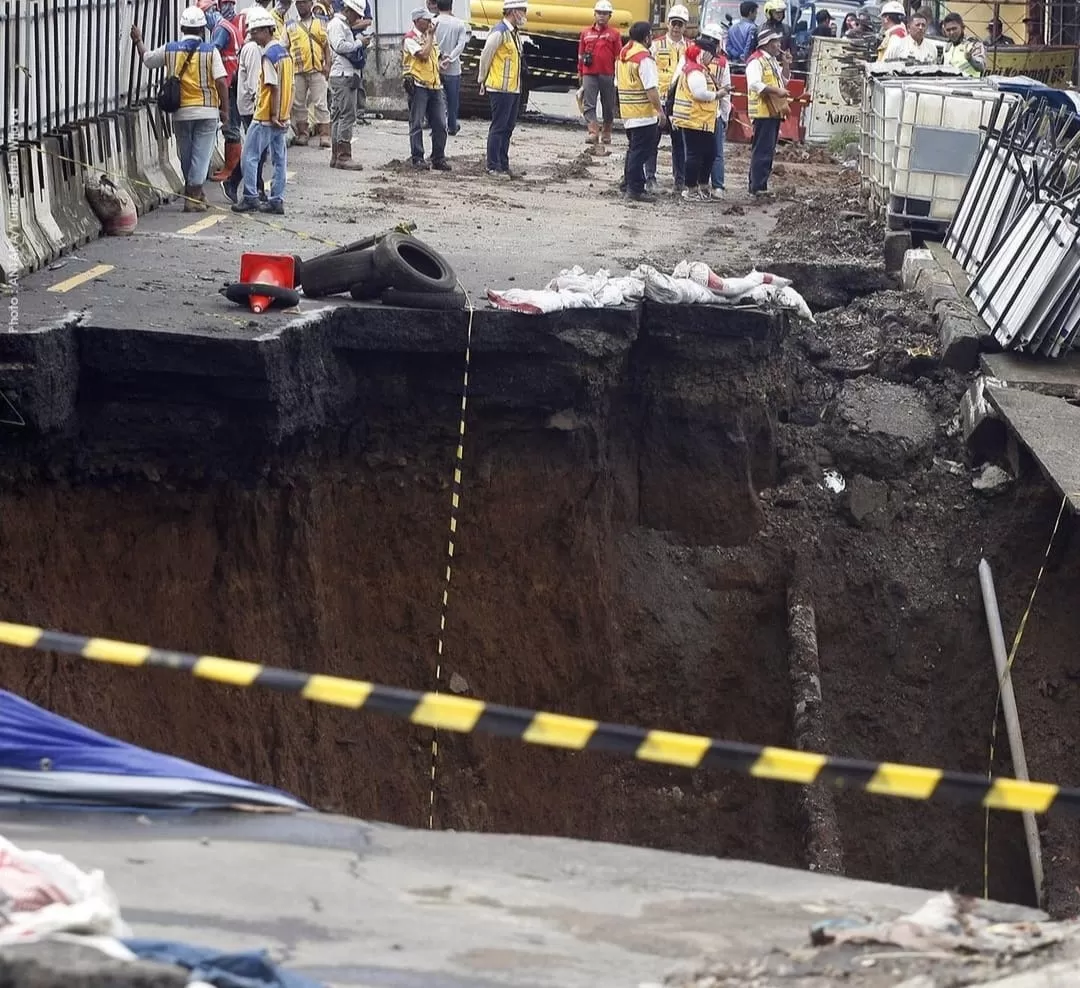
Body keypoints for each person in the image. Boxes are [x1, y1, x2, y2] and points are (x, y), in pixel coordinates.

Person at [131, 7, 228, 212]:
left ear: (182, 27)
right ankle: (193, 194)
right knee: (201, 155)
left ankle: (195, 193)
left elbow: (147, 60)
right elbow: (221, 82)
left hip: (180, 111)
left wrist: (138, 40)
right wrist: (225, 109)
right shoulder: (212, 51)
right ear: (203, 29)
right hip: (207, 110)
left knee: (186, 154)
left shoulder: (170, 48)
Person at [232, 6, 294, 214]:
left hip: (266, 115)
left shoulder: (269, 55)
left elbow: (273, 86)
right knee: (279, 159)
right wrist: (284, 114)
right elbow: (290, 86)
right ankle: (276, 199)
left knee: (249, 156)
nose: (252, 36)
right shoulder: (285, 53)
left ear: (267, 30)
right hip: (281, 116)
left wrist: (274, 114)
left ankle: (250, 196)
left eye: (256, 32)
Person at [616, 21, 665, 202]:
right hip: (643, 114)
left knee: (633, 150)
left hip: (629, 113)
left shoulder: (624, 56)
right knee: (641, 152)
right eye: (651, 35)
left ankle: (628, 184)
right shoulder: (644, 58)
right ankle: (634, 189)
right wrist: (659, 110)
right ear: (646, 37)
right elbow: (651, 89)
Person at [478, 0, 528, 177]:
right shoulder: (499, 32)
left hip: (513, 89)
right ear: (513, 12)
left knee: (508, 128)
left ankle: (503, 165)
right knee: (498, 127)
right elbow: (486, 56)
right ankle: (493, 166)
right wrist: (482, 79)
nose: (525, 15)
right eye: (523, 10)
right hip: (500, 88)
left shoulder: (514, 33)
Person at [672, 34, 721, 202]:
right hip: (693, 119)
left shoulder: (699, 69)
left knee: (709, 153)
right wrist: (718, 94)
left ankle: (701, 185)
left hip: (702, 120)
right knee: (695, 155)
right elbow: (699, 93)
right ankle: (691, 188)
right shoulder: (694, 70)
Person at [647, 4, 688, 193]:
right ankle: (650, 177)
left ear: (685, 26)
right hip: (660, 99)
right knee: (652, 141)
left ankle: (680, 179)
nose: (676, 27)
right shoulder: (656, 45)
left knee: (679, 143)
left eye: (680, 24)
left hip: (680, 102)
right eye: (674, 23)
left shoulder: (690, 48)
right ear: (668, 23)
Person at [403, 8, 451, 170]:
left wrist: (441, 63)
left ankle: (438, 157)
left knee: (440, 123)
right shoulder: (410, 39)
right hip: (418, 85)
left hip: (434, 84)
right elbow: (423, 54)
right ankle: (417, 157)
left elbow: (432, 57)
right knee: (416, 122)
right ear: (417, 21)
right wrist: (430, 36)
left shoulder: (430, 37)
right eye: (426, 20)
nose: (430, 23)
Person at [326, 0, 370, 169]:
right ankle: (343, 155)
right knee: (347, 115)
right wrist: (360, 43)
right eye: (357, 15)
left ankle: (337, 155)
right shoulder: (338, 25)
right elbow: (340, 46)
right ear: (349, 11)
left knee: (338, 115)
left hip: (342, 75)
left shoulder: (339, 24)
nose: (358, 19)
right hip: (343, 75)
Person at [745, 28, 789, 197]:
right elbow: (755, 84)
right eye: (776, 42)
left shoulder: (771, 61)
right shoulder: (756, 61)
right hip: (763, 112)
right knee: (762, 151)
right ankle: (757, 187)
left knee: (768, 150)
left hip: (772, 112)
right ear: (767, 44)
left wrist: (785, 64)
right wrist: (776, 92)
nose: (779, 45)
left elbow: (784, 81)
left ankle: (759, 185)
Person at [578, 0, 622, 150]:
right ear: (594, 14)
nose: (601, 16)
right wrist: (580, 72)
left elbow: (618, 57)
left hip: (607, 74)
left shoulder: (615, 34)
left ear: (609, 16)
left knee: (608, 105)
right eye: (599, 13)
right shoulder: (585, 33)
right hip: (589, 73)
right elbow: (581, 54)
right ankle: (593, 131)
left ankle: (607, 131)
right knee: (589, 104)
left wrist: (618, 76)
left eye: (605, 14)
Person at [209, 0, 245, 183]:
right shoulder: (228, 26)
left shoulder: (221, 29)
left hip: (229, 81)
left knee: (230, 125)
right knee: (233, 125)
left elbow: (212, 52)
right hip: (234, 79)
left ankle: (231, 168)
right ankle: (232, 167)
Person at [287, 0, 331, 146]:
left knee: (320, 103)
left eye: (304, 3)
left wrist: (328, 65)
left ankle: (324, 135)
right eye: (298, 3)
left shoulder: (321, 22)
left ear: (311, 4)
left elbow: (327, 45)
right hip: (298, 70)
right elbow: (284, 47)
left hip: (317, 69)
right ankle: (302, 134)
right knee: (298, 104)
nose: (301, 6)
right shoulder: (290, 25)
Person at [434, 0, 470, 136]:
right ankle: (452, 126)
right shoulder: (459, 24)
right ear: (451, 6)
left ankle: (437, 126)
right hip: (453, 69)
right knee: (452, 100)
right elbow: (461, 45)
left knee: (436, 99)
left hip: (435, 67)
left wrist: (439, 57)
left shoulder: (433, 23)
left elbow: (430, 42)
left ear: (437, 6)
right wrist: (450, 58)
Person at [706, 30, 731, 198]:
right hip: (708, 114)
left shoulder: (692, 57)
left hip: (705, 114)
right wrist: (725, 115)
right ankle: (715, 187)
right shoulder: (722, 62)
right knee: (714, 152)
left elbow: (726, 90)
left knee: (706, 153)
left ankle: (713, 185)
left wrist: (724, 114)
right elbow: (727, 90)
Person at [942, 12, 984, 77]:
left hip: (969, 84)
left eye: (954, 28)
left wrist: (970, 59)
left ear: (962, 27)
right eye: (948, 30)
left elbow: (981, 67)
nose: (952, 32)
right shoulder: (947, 47)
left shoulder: (973, 44)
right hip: (949, 85)